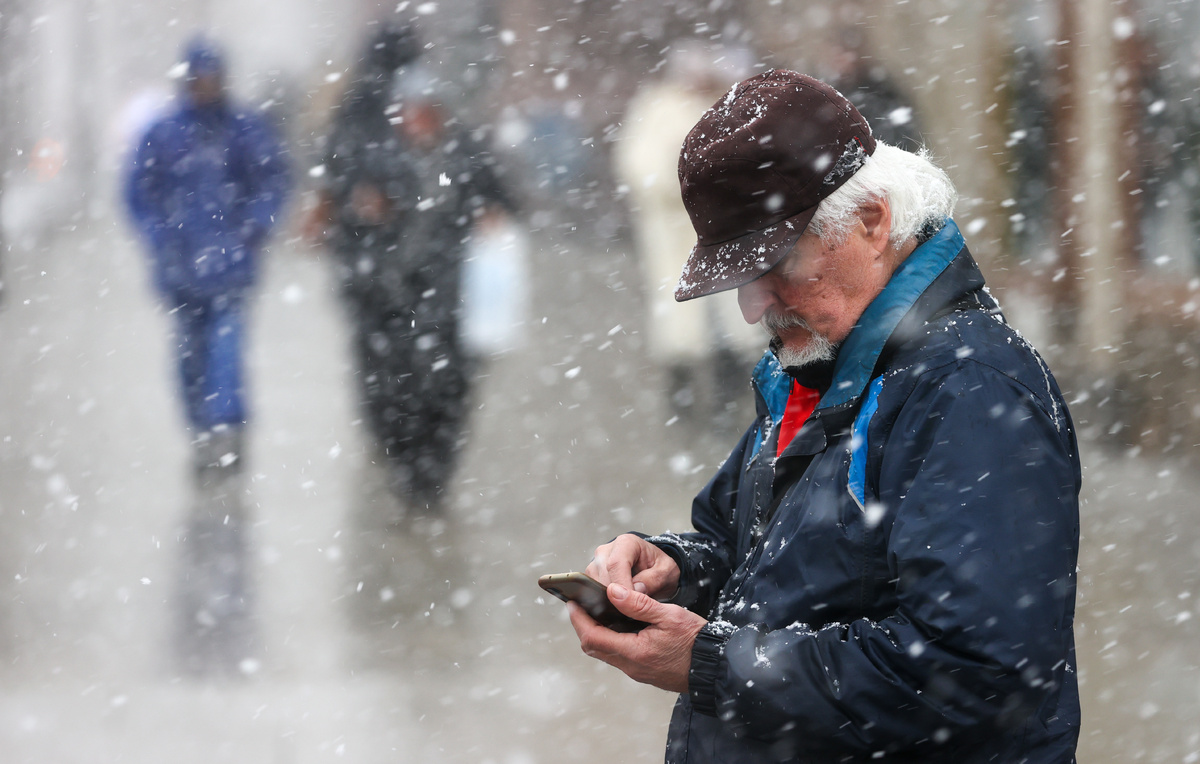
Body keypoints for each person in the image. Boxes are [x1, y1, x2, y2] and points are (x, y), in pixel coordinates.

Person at [565, 70, 1081, 763]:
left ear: (872, 220)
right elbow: (758, 553)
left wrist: (710, 664)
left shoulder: (970, 388)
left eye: (776, 264)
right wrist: (674, 571)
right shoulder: (818, 359)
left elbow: (978, 676)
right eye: (740, 275)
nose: (754, 304)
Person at [313, 25, 515, 512]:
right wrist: (360, 214)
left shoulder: (462, 150)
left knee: (446, 393)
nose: (418, 119)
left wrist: (491, 214)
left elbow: (501, 200)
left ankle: (430, 474)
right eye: (410, 109)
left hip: (447, 304)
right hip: (387, 298)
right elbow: (339, 205)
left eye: (427, 109)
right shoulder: (370, 143)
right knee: (393, 388)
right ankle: (407, 469)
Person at [125, 36, 290, 476]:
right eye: (199, 78)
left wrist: (254, 227)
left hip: (231, 268)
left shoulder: (245, 129)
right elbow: (139, 192)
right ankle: (202, 431)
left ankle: (227, 427)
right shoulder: (163, 133)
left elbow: (272, 180)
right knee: (188, 357)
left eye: (212, 77)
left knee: (226, 350)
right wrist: (158, 235)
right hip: (180, 271)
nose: (206, 85)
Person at [614, 43, 763, 425]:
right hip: (675, 230)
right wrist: (675, 181)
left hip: (730, 228)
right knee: (680, 319)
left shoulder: (741, 107)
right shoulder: (659, 109)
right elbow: (637, 162)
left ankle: (724, 404)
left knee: (731, 318)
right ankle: (681, 405)